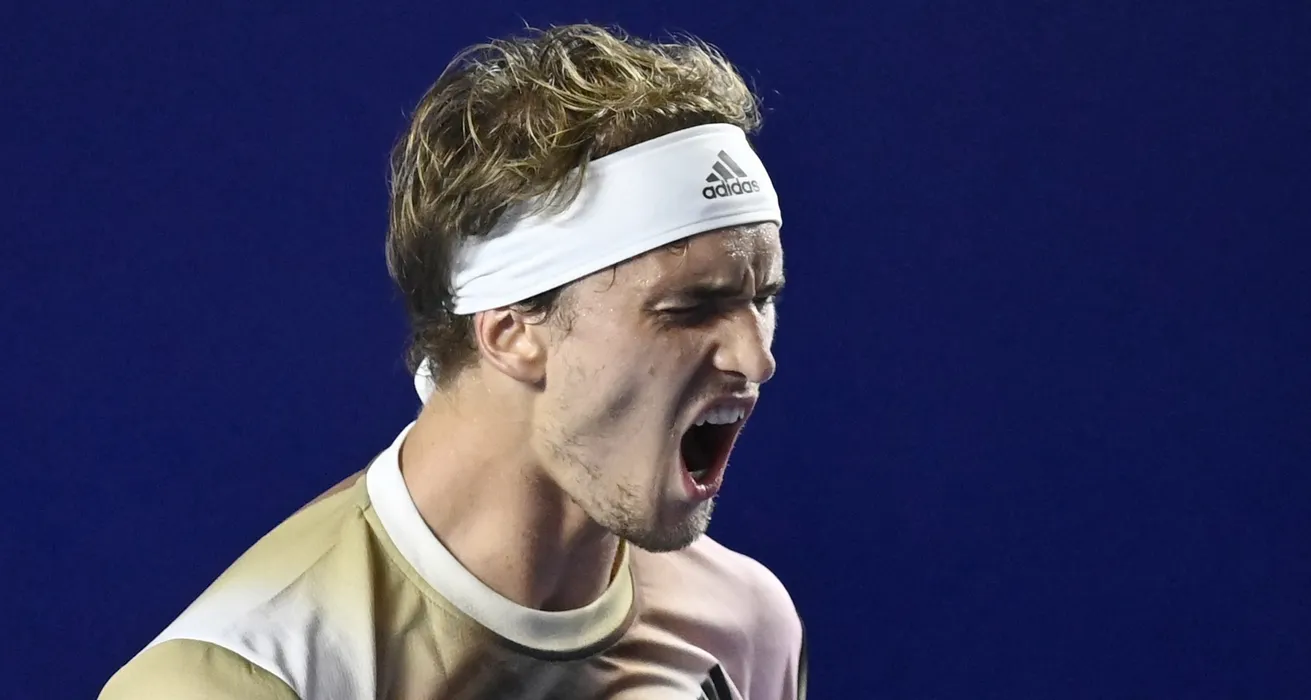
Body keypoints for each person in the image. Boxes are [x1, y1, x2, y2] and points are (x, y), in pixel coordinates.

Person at [100, 22, 806, 700]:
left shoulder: (744, 625)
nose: (757, 357)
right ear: (511, 333)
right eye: (689, 308)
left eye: (762, 299)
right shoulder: (231, 681)